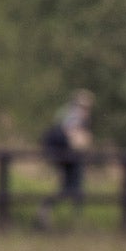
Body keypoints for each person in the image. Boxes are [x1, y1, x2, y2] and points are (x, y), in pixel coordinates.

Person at [36, 88, 94, 229]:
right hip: (68, 156)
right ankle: (73, 220)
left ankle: (53, 212)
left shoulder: (66, 112)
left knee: (72, 187)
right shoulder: (74, 115)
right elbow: (76, 138)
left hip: (66, 156)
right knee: (73, 187)